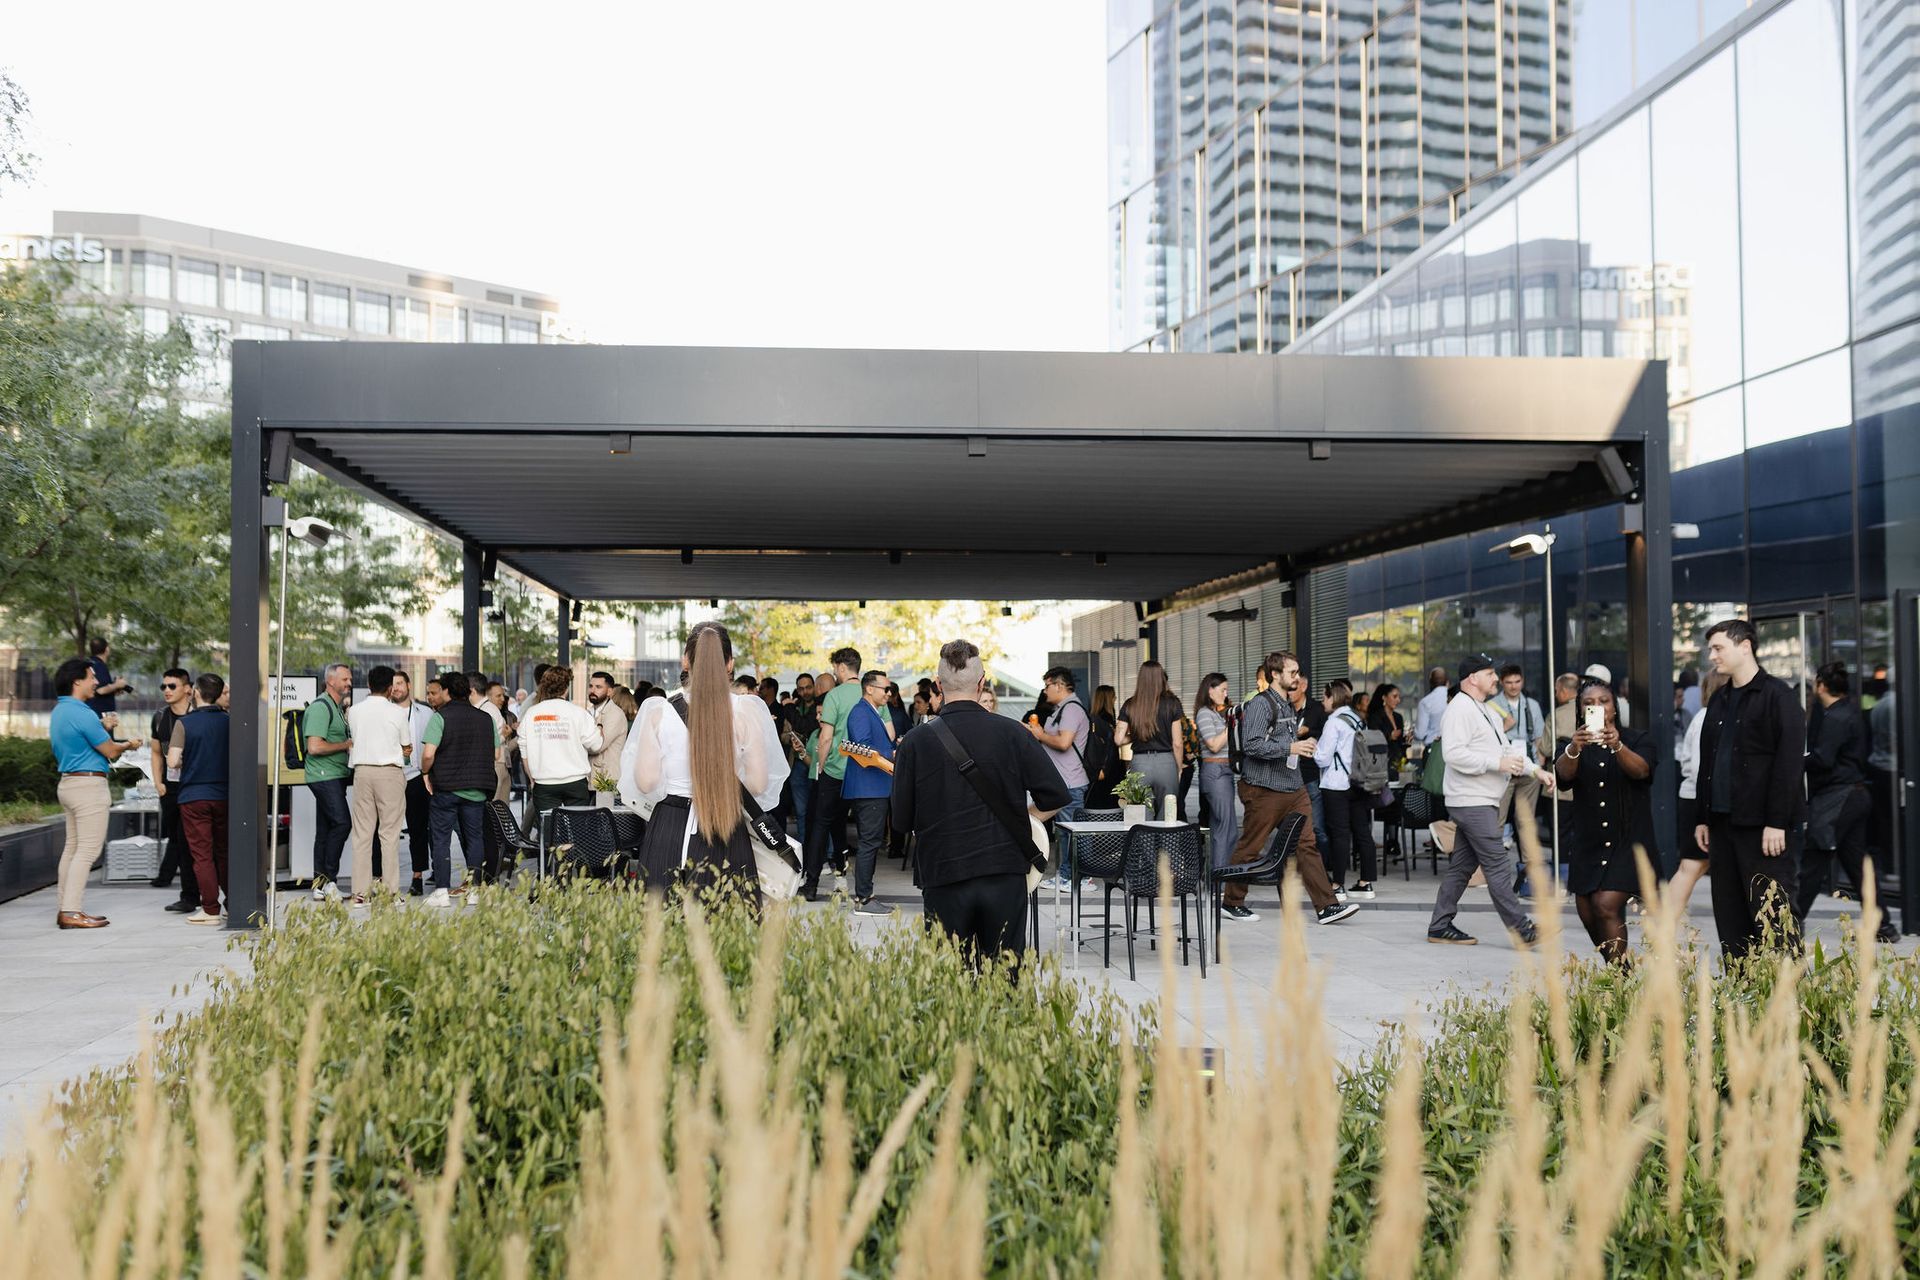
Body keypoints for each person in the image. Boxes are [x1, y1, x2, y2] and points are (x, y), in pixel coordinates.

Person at [892, 639, 1069, 967]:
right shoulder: (1013, 733)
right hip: (1004, 872)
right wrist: (1021, 819)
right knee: (1004, 978)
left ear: (937, 684)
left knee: (949, 980)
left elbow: (901, 821)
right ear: (982, 682)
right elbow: (1056, 795)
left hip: (943, 874)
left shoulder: (915, 741)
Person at [626, 622, 784, 900]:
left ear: (685, 661)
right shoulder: (746, 711)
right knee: (728, 918)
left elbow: (646, 782)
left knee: (662, 918)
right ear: (730, 664)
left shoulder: (658, 712)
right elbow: (759, 785)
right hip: (725, 821)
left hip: (669, 827)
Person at [1694, 618, 1808, 957]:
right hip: (1722, 825)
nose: (1712, 656)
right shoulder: (1719, 699)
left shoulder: (1778, 696)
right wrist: (1702, 818)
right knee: (1731, 920)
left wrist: (1777, 821)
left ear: (1745, 646)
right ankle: (1741, 989)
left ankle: (1787, 987)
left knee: (1774, 917)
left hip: (1763, 829)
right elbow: (1708, 763)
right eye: (1711, 649)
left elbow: (1789, 765)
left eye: (1718, 648)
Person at [1216, 652, 1354, 926]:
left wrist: (1301, 747)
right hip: (1263, 789)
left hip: (1293, 788)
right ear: (1275, 675)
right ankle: (1232, 902)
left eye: (1298, 672)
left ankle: (1327, 906)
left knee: (1307, 845)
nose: (1297, 677)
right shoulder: (1261, 704)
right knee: (1250, 846)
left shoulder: (1288, 705)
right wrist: (1291, 747)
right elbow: (1252, 744)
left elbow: (1284, 744)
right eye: (1292, 672)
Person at [1427, 653, 1547, 947]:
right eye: (1490, 674)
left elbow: (1506, 750)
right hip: (1471, 801)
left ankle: (1439, 926)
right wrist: (1496, 764)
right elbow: (1453, 754)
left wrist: (1535, 770)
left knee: (1461, 867)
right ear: (1473, 678)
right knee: (1497, 864)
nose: (1496, 679)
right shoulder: (1459, 709)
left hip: (1480, 800)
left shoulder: (1484, 709)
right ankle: (1522, 930)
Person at [1554, 677, 1656, 964]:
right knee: (1587, 910)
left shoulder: (1637, 739)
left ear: (1615, 706)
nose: (1597, 706)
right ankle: (1620, 971)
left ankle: (1621, 979)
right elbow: (1563, 776)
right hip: (1589, 841)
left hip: (1628, 840)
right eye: (1589, 703)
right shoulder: (1570, 745)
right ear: (1580, 710)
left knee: (1605, 904)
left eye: (1603, 701)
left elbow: (1642, 771)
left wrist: (1617, 745)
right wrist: (1574, 748)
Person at [1796, 663, 1897, 942]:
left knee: (1814, 860)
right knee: (1856, 866)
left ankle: (1790, 923)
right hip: (1855, 795)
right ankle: (1882, 925)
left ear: (1821, 686)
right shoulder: (1851, 712)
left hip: (1837, 797)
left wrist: (1795, 760)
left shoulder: (1835, 718)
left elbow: (1823, 759)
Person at [49, 658, 143, 928]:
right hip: (88, 787)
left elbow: (79, 739)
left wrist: (102, 728)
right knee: (88, 850)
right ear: (76, 681)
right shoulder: (83, 712)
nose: (97, 682)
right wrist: (129, 744)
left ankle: (64, 908)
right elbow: (110, 750)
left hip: (69, 783)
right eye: (91, 677)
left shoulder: (60, 711)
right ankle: (71, 911)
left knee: (73, 848)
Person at [419, 671, 499, 905]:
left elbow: (428, 754)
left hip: (446, 787)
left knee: (441, 839)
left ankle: (441, 892)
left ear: (446, 691)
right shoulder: (486, 719)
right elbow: (496, 753)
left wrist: (425, 772)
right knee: (475, 838)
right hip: (477, 788)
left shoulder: (440, 717)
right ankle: (475, 891)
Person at [167, 673, 231, 925]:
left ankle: (210, 909)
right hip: (224, 795)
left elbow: (172, 761)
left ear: (195, 692)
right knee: (224, 852)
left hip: (194, 796)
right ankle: (233, 904)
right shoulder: (230, 722)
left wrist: (188, 758)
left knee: (202, 855)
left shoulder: (184, 724)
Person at [346, 665, 413, 902]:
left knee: (362, 834)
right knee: (389, 834)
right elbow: (407, 746)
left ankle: (360, 893)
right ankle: (391, 891)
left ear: (368, 684)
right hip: (389, 773)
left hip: (362, 772)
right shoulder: (398, 713)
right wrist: (403, 752)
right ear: (390, 688)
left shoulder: (354, 711)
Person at [804, 648, 864, 900]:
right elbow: (888, 733)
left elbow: (826, 737)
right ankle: (853, 885)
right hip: (862, 773)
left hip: (835, 771)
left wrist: (821, 765)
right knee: (850, 829)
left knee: (821, 825)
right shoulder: (870, 692)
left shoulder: (834, 696)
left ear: (841, 667)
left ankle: (811, 885)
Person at [519, 665, 604, 839]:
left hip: (544, 783)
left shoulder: (531, 714)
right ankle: (576, 856)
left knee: (549, 834)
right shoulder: (578, 713)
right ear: (566, 688)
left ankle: (553, 857)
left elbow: (524, 751)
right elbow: (595, 745)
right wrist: (599, 731)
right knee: (580, 833)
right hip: (575, 782)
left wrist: (532, 778)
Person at [1029, 666, 1092, 890]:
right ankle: (1067, 875)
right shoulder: (1062, 708)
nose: (1045, 691)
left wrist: (1040, 734)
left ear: (1059, 685)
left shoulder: (1071, 709)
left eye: (1047, 686)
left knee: (1071, 832)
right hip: (1063, 781)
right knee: (1065, 832)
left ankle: (1078, 877)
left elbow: (1064, 742)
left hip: (1070, 781)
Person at [1315, 682, 1380, 899]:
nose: (1323, 701)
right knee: (1362, 831)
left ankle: (1337, 885)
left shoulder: (1334, 722)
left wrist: (1313, 747)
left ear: (1332, 697)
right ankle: (1366, 883)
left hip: (1337, 785)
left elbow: (1323, 758)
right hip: (1359, 782)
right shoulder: (1357, 719)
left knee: (1339, 835)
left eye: (1324, 697)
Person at [1668, 668, 1725, 918]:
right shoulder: (1708, 717)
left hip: (1697, 798)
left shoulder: (1703, 716)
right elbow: (1701, 769)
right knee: (1691, 867)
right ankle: (1663, 924)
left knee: (1693, 867)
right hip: (1699, 800)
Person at [842, 670, 898, 915]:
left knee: (871, 842)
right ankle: (864, 899)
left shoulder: (870, 711)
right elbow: (862, 748)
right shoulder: (860, 712)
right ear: (869, 688)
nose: (889, 693)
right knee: (869, 843)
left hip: (873, 787)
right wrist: (891, 753)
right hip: (869, 788)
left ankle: (865, 896)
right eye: (885, 689)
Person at [149, 668, 200, 914]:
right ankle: (190, 895)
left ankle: (196, 894)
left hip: (196, 785)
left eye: (172, 686)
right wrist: (158, 783)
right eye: (164, 686)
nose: (166, 691)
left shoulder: (198, 715)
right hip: (170, 788)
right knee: (179, 841)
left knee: (193, 841)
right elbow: (156, 752)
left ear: (187, 689)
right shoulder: (160, 717)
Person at [1490, 663, 1549, 873]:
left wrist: (1539, 763)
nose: (1514, 686)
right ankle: (1493, 867)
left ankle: (1529, 868)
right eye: (1509, 682)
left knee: (1526, 820)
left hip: (1528, 766)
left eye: (1517, 681)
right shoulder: (1492, 705)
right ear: (1502, 683)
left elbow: (1539, 737)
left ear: (1522, 681)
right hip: (1503, 768)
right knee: (1497, 820)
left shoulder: (1531, 705)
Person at [303, 663, 354, 901]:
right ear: (330, 681)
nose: (349, 683)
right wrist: (346, 745)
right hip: (324, 775)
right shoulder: (321, 708)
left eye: (350, 679)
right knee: (342, 823)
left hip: (333, 774)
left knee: (325, 830)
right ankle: (330, 881)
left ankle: (320, 884)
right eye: (345, 679)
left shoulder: (335, 706)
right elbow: (314, 747)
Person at [1113, 660, 1183, 813]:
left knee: (1141, 814)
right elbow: (1177, 743)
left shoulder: (1130, 704)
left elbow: (1118, 739)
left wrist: (1136, 735)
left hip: (1140, 763)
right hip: (1166, 762)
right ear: (1161, 678)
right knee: (1167, 814)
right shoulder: (1173, 703)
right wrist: (1178, 768)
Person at [390, 670, 435, 896]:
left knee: (418, 829)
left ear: (408, 685)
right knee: (387, 830)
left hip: (416, 776)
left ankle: (417, 876)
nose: (396, 688)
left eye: (400, 683)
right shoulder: (385, 712)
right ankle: (383, 878)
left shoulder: (425, 713)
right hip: (390, 774)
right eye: (393, 684)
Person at [1193, 674, 1238, 871]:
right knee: (1226, 829)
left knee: (1223, 827)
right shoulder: (1204, 713)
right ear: (1210, 690)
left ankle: (1217, 876)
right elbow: (1213, 744)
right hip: (1216, 771)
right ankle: (1221, 876)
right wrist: (1232, 725)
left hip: (1223, 771)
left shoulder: (1215, 713)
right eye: (1223, 690)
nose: (1226, 694)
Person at [783, 672, 820, 840]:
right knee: (801, 810)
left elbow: (806, 725)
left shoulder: (820, 707)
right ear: (797, 690)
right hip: (797, 761)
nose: (805, 692)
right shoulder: (795, 706)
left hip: (816, 760)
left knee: (819, 809)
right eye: (801, 689)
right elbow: (783, 734)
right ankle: (805, 846)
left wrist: (789, 709)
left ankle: (823, 850)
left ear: (815, 687)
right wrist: (791, 738)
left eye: (808, 687)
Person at [587, 671, 630, 785]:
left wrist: (577, 744)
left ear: (610, 691)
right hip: (591, 779)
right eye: (591, 686)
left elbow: (598, 746)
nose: (593, 690)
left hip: (607, 781)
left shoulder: (615, 714)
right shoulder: (588, 712)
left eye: (598, 687)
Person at [1086, 684, 1121, 810]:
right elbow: (1113, 743)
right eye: (1113, 697)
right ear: (1107, 699)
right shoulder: (1106, 719)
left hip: (1096, 765)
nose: (1115, 699)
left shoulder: (1092, 718)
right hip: (1108, 767)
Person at [1367, 683, 1407, 774]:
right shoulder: (1376, 717)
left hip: (1399, 761)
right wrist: (1389, 736)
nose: (1398, 700)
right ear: (1384, 698)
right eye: (1394, 696)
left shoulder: (1398, 717)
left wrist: (1406, 740)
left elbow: (1400, 742)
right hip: (1383, 762)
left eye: (1399, 697)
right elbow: (1374, 739)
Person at [85, 636, 131, 715]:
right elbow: (100, 690)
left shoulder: (89, 663)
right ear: (107, 649)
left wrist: (114, 689)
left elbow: (97, 690)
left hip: (93, 710)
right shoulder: (99, 665)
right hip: (101, 714)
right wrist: (117, 685)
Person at [1413, 666, 1450, 747]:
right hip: (1455, 748)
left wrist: (1413, 732)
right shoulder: (1456, 699)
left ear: (1430, 683)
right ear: (1447, 682)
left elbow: (1420, 734)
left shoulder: (1425, 702)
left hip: (1433, 747)